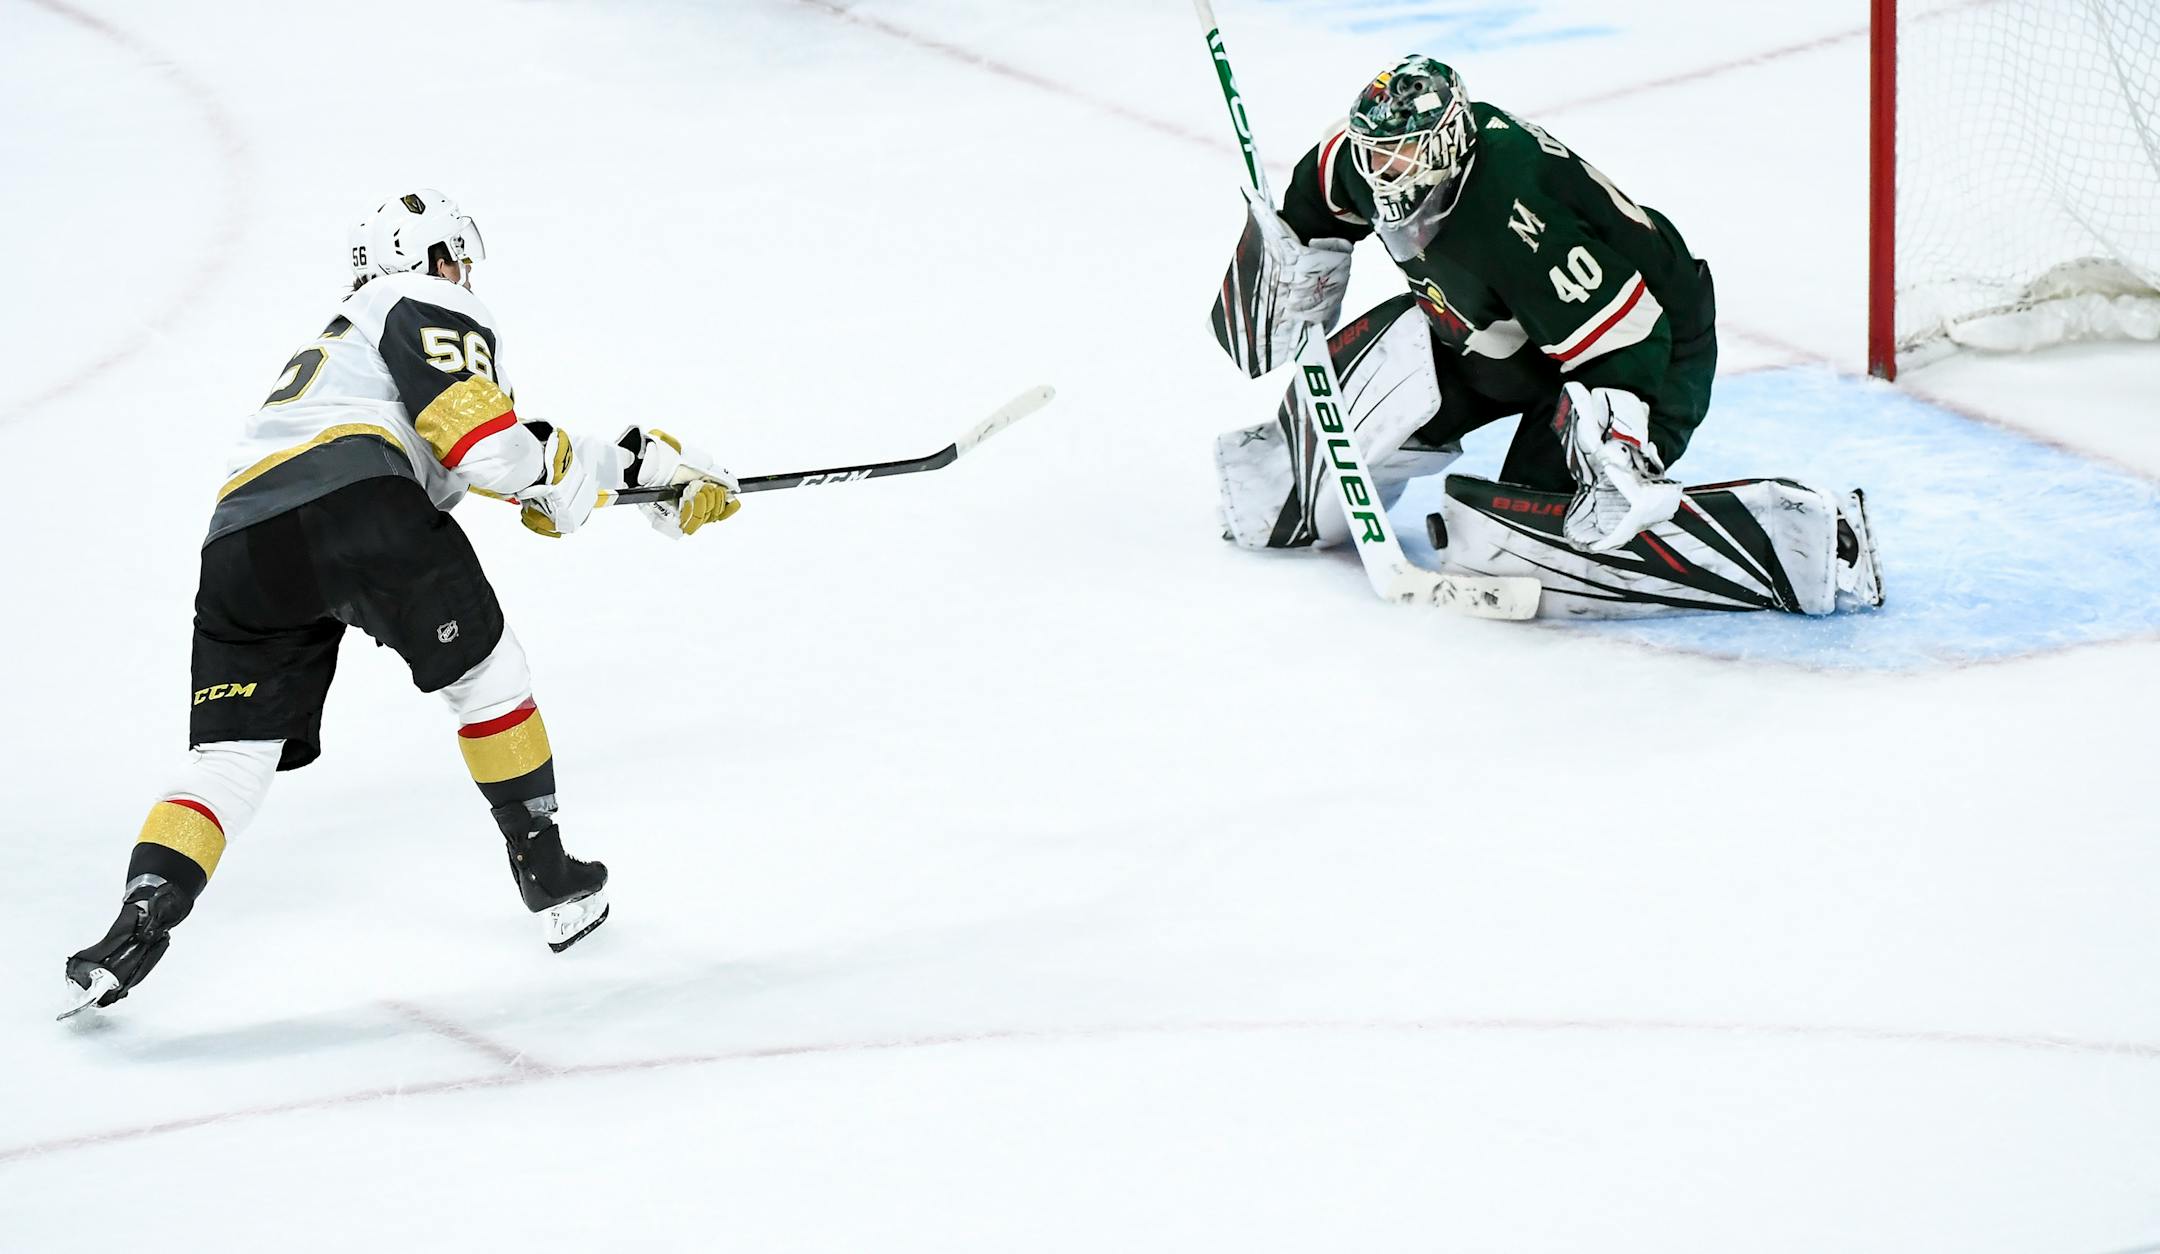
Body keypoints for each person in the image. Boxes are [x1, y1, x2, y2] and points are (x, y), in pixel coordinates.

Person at [61, 189, 740, 1017]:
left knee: (230, 757)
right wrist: (559, 478)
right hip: (359, 505)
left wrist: (632, 469)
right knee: (489, 681)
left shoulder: (343, 349)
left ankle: (140, 917)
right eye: (454, 255)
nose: (462, 271)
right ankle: (550, 877)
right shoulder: (416, 298)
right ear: (426, 257)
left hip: (242, 546)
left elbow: (487, 455)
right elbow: (489, 451)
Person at [1209, 56, 1882, 616]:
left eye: (1403, 152)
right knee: (1301, 490)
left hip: (1648, 341)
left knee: (1515, 536)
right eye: (1377, 153)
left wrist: (1617, 447)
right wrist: (1300, 259)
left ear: (1449, 142)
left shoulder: (1510, 209)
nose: (1385, 169)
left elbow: (1629, 338)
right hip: (1496, 333)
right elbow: (1320, 191)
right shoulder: (1366, 162)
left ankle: (1805, 543)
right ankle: (1298, 477)